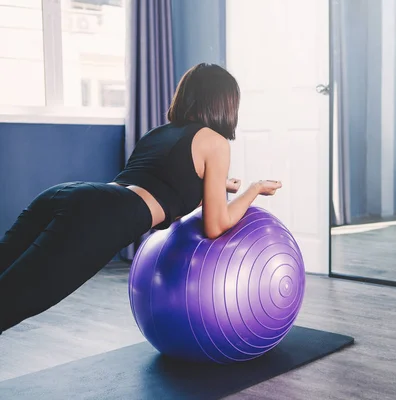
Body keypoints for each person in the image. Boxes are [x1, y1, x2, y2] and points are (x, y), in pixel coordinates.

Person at [0, 63, 283, 334]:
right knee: (15, 300)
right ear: (225, 103)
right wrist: (254, 189)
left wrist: (218, 185)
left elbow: (166, 192)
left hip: (68, 194)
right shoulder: (216, 142)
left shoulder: (158, 133)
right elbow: (216, 225)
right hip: (99, 216)